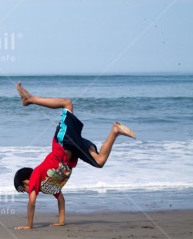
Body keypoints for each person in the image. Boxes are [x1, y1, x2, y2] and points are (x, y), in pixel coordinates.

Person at [14, 82, 136, 230]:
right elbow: (61, 200)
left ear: (26, 182)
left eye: (22, 189)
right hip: (74, 149)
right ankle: (115, 131)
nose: (27, 192)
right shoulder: (49, 187)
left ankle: (30, 99)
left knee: (67, 103)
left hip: (63, 142)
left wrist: (29, 225)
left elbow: (31, 203)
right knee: (100, 161)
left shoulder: (35, 177)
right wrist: (61, 221)